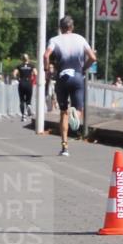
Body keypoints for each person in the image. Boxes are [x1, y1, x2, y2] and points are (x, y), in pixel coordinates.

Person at [44, 15, 96, 157]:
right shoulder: (80, 39)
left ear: (61, 28)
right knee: (78, 108)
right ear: (72, 27)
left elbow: (46, 55)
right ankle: (76, 114)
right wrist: (83, 68)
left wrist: (46, 70)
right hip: (78, 77)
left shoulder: (54, 40)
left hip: (62, 78)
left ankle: (64, 146)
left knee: (63, 112)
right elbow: (93, 57)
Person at [13, 53, 36, 122]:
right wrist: (33, 79)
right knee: (28, 99)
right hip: (29, 82)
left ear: (22, 59)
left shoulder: (19, 66)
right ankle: (28, 105)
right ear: (28, 59)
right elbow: (36, 73)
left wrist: (18, 79)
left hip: (21, 82)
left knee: (22, 100)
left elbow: (14, 74)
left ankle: (23, 116)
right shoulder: (31, 65)